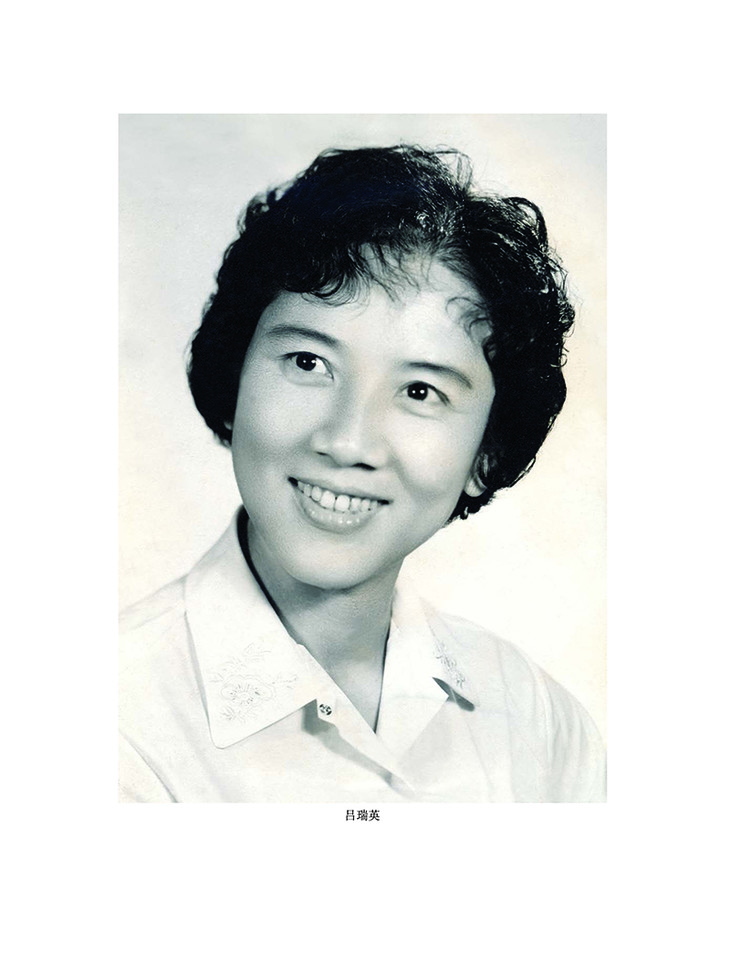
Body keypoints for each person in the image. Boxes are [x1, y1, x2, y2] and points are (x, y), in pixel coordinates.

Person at [119, 144, 606, 803]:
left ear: (486, 452)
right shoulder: (116, 716)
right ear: (235, 377)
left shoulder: (540, 726)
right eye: (308, 362)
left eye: (421, 392)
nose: (347, 442)